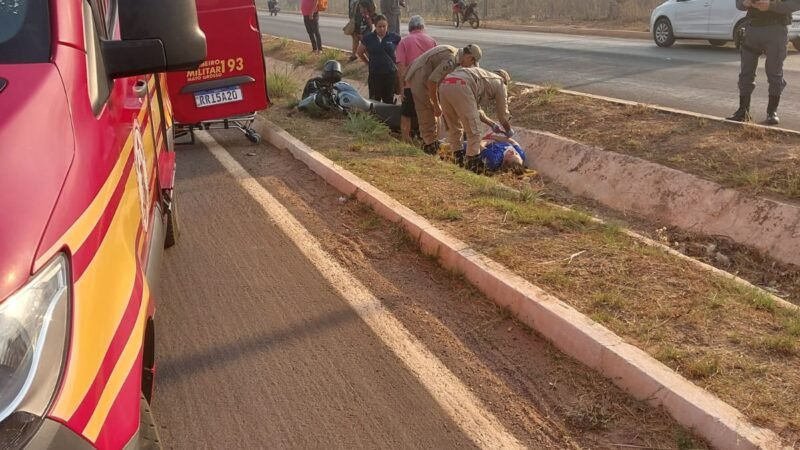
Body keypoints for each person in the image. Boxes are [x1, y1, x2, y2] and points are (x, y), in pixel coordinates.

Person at [727, 0, 800, 125]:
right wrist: (745, 3)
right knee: (746, 73)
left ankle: (772, 113)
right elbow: (738, 4)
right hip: (752, 29)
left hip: (775, 30)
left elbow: (796, 4)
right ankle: (742, 111)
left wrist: (771, 6)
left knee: (774, 73)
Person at [403, 44, 481, 154]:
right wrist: (436, 104)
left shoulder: (453, 52)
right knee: (427, 111)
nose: (469, 66)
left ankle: (429, 142)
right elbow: (432, 81)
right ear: (469, 57)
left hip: (418, 72)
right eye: (472, 63)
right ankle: (429, 147)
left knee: (432, 112)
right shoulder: (451, 60)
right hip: (420, 77)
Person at [438, 67, 513, 172]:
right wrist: (508, 130)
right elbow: (503, 115)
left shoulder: (481, 77)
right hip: (462, 86)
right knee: (475, 131)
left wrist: (492, 124)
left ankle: (458, 159)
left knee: (454, 126)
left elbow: (476, 110)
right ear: (505, 80)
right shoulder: (501, 83)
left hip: (444, 84)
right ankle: (472, 165)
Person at [396, 15, 437, 142]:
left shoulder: (404, 41)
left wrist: (402, 87)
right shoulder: (431, 41)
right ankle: (427, 140)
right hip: (427, 86)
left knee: (406, 113)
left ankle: (405, 139)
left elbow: (400, 65)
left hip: (410, 84)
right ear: (423, 27)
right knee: (427, 112)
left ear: (410, 28)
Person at [357, 14, 402, 104]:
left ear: (387, 26)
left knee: (388, 101)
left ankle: (388, 118)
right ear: (375, 26)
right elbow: (359, 52)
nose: (382, 29)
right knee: (374, 101)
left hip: (390, 75)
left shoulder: (394, 37)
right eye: (379, 26)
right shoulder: (368, 38)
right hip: (375, 75)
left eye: (384, 26)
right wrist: (367, 62)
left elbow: (403, 51)